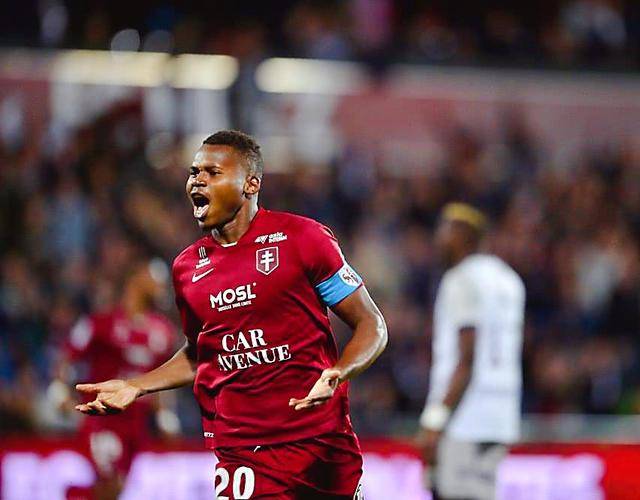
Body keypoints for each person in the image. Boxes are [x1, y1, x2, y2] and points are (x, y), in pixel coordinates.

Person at [75, 130, 387, 499]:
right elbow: (201, 353)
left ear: (250, 184)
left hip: (322, 445)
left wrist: (339, 371)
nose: (198, 181)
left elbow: (371, 324)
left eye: (213, 172)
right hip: (243, 451)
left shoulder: (304, 239)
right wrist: (136, 385)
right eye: (194, 172)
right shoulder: (187, 268)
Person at [417, 203, 525, 500]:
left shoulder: (461, 279)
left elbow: (467, 358)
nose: (439, 239)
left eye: (446, 230)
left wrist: (435, 419)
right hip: (501, 414)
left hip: (464, 416)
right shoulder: (509, 279)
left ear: (465, 235)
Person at [51, 258, 179, 500]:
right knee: (110, 484)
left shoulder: (163, 331)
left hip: (137, 422)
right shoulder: (102, 323)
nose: (161, 285)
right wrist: (59, 390)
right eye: (154, 278)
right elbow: (68, 356)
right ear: (135, 281)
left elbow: (161, 376)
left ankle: (74, 495)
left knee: (116, 490)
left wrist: (164, 413)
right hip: (104, 418)